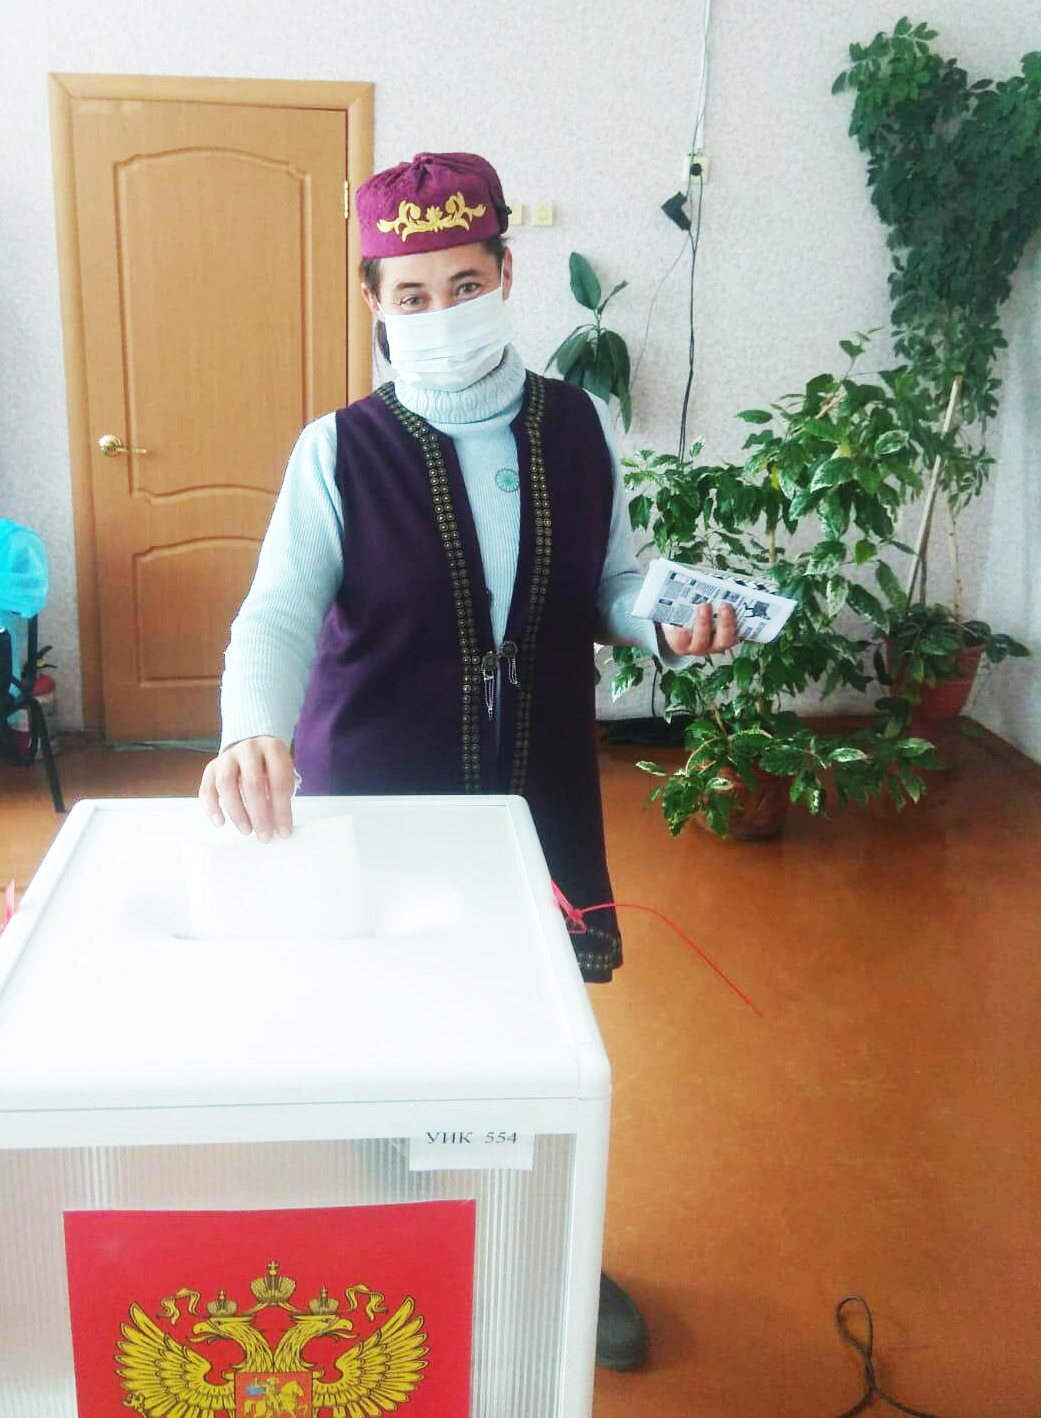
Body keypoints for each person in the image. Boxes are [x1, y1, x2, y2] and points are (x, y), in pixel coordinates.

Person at [199, 151, 735, 1371]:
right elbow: (278, 609)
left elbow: (609, 584)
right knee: (393, 1026)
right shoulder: (339, 450)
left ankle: (541, 1244)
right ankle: (403, 1240)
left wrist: (666, 619)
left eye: (464, 283)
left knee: (528, 1026)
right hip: (380, 784)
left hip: (535, 786)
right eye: (412, 293)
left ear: (505, 274)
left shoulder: (574, 426)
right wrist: (249, 726)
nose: (440, 312)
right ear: (375, 302)